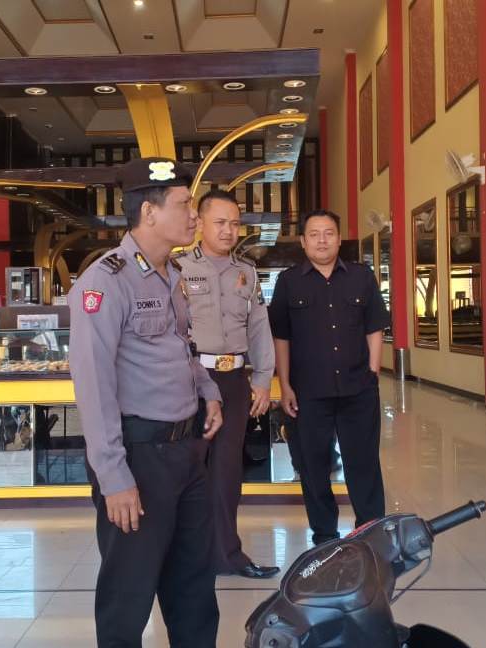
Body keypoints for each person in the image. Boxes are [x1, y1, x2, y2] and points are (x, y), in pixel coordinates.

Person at [68, 157, 224, 647]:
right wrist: (113, 476)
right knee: (128, 592)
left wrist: (207, 390)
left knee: (194, 586)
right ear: (149, 213)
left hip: (185, 452)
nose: (195, 215)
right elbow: (92, 385)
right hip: (138, 457)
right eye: (184, 205)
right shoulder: (104, 281)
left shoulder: (171, 272)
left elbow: (180, 346)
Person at [267, 209, 389, 546]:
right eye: (314, 234)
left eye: (329, 233)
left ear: (339, 238)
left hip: (358, 389)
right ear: (303, 241)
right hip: (308, 393)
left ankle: (370, 534)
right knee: (313, 466)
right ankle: (324, 536)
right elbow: (281, 337)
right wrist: (285, 385)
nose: (322, 240)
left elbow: (374, 327)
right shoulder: (289, 281)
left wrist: (373, 372)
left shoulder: (361, 277)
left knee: (363, 464)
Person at [177, 189, 279, 579]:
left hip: (235, 380)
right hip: (191, 380)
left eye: (235, 223)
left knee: (227, 471)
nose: (228, 230)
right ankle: (185, 555)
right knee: (188, 469)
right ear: (199, 223)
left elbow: (259, 329)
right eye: (220, 222)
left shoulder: (247, 273)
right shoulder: (179, 268)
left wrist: (263, 379)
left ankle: (227, 555)